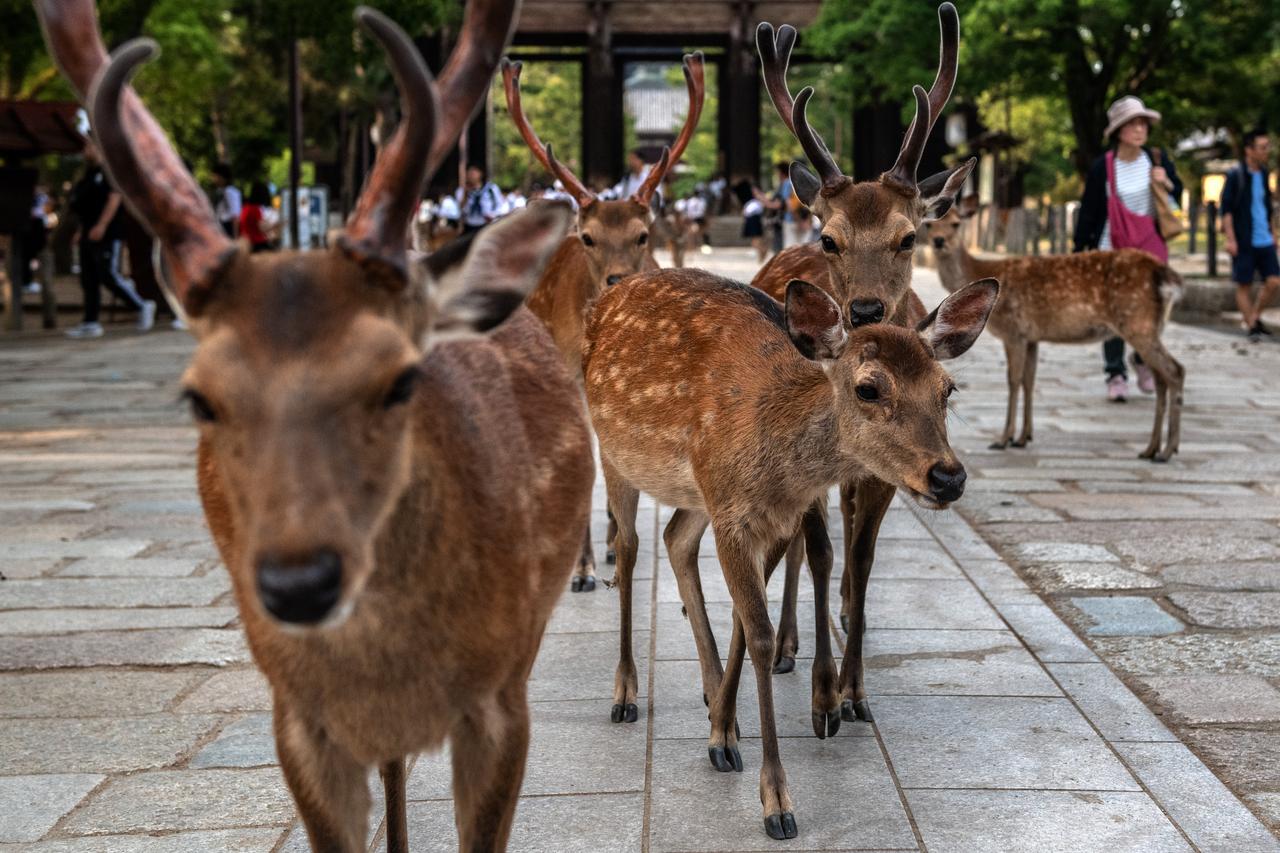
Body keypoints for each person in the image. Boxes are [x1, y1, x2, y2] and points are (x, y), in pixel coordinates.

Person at [1074, 95, 1182, 402]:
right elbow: (1090, 210)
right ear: (1119, 131)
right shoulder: (1103, 167)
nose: (1139, 129)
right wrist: (1081, 248)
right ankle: (1115, 372)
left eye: (1142, 123)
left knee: (1150, 311)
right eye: (1132, 124)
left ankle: (1143, 358)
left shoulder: (1157, 160)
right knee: (1112, 313)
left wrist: (1168, 182)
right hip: (1113, 250)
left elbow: (1176, 199)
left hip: (1150, 250)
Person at [65, 139, 155, 339]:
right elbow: (85, 207)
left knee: (108, 274)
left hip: (108, 233)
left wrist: (103, 225)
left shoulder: (109, 171)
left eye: (89, 146)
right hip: (88, 231)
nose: (85, 150)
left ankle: (141, 305)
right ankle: (90, 322)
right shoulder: (87, 174)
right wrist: (81, 230)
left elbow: (115, 199)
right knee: (88, 278)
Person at [1220, 130, 1279, 340]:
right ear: (1249, 150)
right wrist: (1231, 239)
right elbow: (1226, 210)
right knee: (1243, 284)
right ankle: (1253, 326)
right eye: (1262, 147)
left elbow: (1266, 207)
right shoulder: (1235, 175)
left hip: (1264, 239)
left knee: (1274, 281)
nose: (1267, 151)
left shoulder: (1263, 174)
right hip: (1244, 239)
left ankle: (1254, 317)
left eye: (1267, 146)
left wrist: (1274, 234)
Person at [456, 164, 504, 234]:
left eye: (473, 172)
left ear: (481, 174)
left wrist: (493, 215)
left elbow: (500, 206)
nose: (471, 175)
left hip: (487, 225)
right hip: (469, 227)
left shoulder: (491, 189)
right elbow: (460, 209)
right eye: (469, 172)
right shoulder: (461, 191)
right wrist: (465, 194)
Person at [735, 180, 768, 264]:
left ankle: (762, 254)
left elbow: (765, 205)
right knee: (754, 241)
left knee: (757, 240)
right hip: (750, 220)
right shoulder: (751, 200)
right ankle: (761, 255)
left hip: (755, 220)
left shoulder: (761, 198)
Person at [239, 182, 276, 253]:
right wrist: (275, 225)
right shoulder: (255, 209)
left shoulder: (245, 207)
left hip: (246, 242)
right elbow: (262, 228)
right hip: (257, 243)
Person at [212, 163, 241, 239]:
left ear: (222, 177)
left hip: (228, 226)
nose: (213, 178)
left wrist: (235, 236)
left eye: (215, 176)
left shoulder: (230, 192)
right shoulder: (219, 191)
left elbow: (235, 215)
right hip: (220, 224)